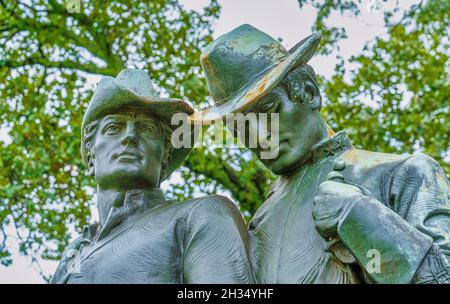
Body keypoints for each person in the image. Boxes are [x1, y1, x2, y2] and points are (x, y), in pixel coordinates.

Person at [191, 24, 450, 283]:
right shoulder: (258, 225)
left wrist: (364, 219)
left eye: (269, 110)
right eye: (241, 127)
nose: (259, 137)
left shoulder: (405, 174)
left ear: (309, 92)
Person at [51, 69, 254, 284]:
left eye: (147, 129)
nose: (130, 136)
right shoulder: (73, 254)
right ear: (91, 157)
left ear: (165, 157)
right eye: (114, 127)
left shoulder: (199, 216)